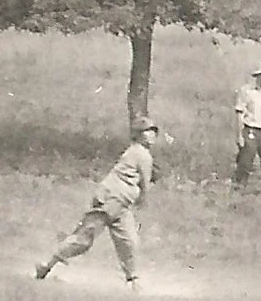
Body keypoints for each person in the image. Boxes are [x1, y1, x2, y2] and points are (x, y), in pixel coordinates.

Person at [36, 119, 165, 287]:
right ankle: (46, 265)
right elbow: (145, 184)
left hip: (121, 203)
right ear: (138, 135)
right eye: (146, 131)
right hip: (112, 199)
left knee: (129, 241)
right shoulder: (141, 153)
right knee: (84, 239)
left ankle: (133, 282)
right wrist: (143, 199)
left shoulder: (137, 152)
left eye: (153, 131)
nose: (152, 135)